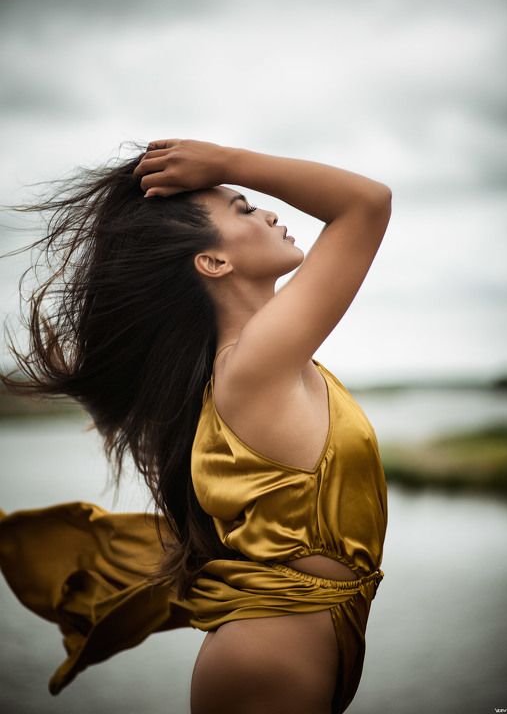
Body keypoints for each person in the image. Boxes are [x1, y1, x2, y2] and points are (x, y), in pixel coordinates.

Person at [0, 138, 392, 714]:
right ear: (213, 262)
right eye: (243, 209)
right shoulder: (253, 365)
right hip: (268, 657)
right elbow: (367, 203)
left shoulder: (263, 363)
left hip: (296, 642)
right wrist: (227, 164)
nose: (271, 212)